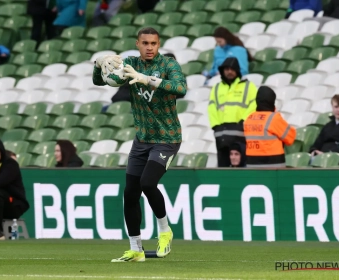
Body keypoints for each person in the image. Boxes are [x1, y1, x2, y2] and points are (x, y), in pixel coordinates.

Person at [92, 27, 187, 262]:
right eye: (145, 43)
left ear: (159, 43)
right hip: (142, 139)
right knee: (130, 193)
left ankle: (165, 231)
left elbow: (181, 88)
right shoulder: (131, 63)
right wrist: (98, 64)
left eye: (153, 43)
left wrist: (148, 80)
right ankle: (136, 249)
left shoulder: (168, 65)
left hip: (167, 138)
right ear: (137, 44)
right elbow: (100, 81)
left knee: (147, 182)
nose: (149, 47)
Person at [208, 57, 257, 167]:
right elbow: (211, 108)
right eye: (226, 69)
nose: (229, 71)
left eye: (232, 69)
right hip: (221, 135)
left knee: (241, 166)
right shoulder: (216, 88)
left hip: (240, 133)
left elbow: (254, 104)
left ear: (237, 70)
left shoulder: (248, 86)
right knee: (223, 166)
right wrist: (216, 126)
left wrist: (243, 122)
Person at [243, 86, 296, 168]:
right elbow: (291, 137)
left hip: (252, 165)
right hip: (273, 167)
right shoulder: (273, 118)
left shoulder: (249, 118)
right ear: (272, 101)